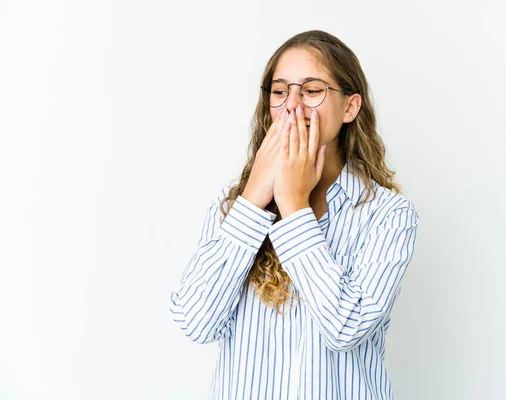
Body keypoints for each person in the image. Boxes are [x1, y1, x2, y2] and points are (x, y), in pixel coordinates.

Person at [169, 29, 420, 400]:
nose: (292, 106)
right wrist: (254, 198)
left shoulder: (388, 215)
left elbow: (345, 328)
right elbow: (195, 322)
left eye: (312, 90)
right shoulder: (231, 205)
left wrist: (294, 205)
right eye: (280, 90)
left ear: (350, 107)